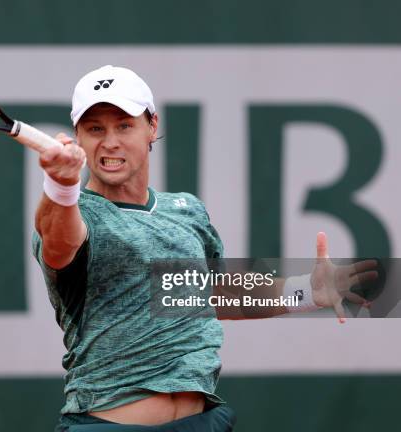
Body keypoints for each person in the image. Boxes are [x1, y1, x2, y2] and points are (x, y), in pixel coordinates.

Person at [32, 65, 376, 432]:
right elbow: (58, 244)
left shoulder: (186, 210)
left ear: (153, 127)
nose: (110, 141)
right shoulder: (76, 213)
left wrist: (308, 291)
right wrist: (60, 185)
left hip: (203, 422)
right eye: (95, 129)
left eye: (124, 125)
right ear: (79, 139)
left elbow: (215, 294)